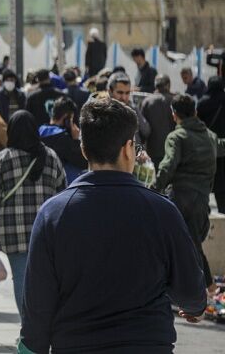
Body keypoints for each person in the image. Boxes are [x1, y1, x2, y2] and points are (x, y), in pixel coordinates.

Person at [18, 97, 208, 353]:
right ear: (128, 148)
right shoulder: (162, 211)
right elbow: (191, 290)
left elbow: (37, 309)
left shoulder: (53, 214)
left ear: (84, 148)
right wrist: (194, 307)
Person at [0, 110, 66, 315]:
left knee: (21, 280)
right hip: (46, 233)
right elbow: (63, 193)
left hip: (13, 234)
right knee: (44, 281)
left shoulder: (3, 159)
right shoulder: (51, 157)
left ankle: (28, 328)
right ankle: (44, 324)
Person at [155, 94, 224, 293]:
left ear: (174, 115)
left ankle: (208, 287)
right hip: (201, 201)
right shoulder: (209, 136)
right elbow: (221, 146)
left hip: (180, 199)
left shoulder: (177, 137)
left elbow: (168, 167)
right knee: (189, 245)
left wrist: (152, 188)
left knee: (187, 247)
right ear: (194, 112)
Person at [37, 97, 86, 185]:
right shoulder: (63, 138)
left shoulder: (39, 131)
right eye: (71, 119)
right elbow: (82, 161)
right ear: (66, 117)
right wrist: (76, 140)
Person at [198, 76, 225, 212]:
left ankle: (205, 211)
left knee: (206, 181)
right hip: (224, 148)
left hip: (207, 147)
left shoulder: (203, 102)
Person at [140, 74, 175, 163]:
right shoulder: (174, 100)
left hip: (152, 150)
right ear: (168, 85)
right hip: (172, 149)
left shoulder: (147, 101)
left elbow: (142, 128)